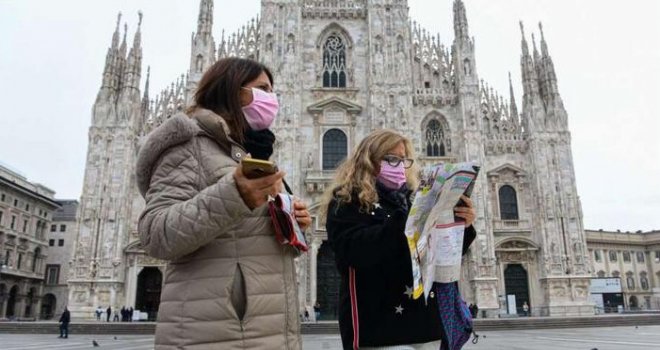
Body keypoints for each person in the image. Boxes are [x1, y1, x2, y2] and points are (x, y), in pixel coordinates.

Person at [136, 57, 311, 349]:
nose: (272, 99)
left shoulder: (254, 153)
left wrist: (292, 224)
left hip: (266, 330)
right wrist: (235, 196)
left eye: (272, 91)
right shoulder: (190, 146)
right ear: (231, 90)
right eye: (262, 89)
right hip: (213, 332)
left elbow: (246, 241)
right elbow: (154, 234)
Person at [322, 129, 476, 350]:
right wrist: (407, 219)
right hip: (379, 327)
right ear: (369, 160)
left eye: (403, 160)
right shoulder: (346, 200)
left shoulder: (413, 198)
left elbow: (437, 257)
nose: (399, 165)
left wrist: (462, 225)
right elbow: (352, 252)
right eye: (392, 159)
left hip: (425, 324)